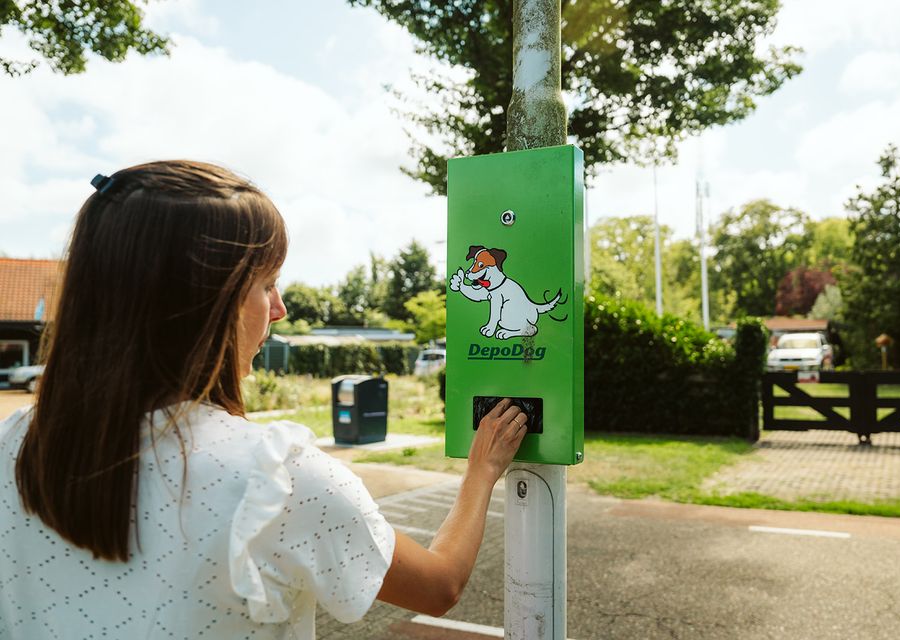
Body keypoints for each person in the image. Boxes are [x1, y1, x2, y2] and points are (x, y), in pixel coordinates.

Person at [0, 160, 528, 639]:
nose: (279, 309)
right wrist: (481, 472)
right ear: (208, 301)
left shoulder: (16, 441)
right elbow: (438, 585)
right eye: (267, 284)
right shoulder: (274, 478)